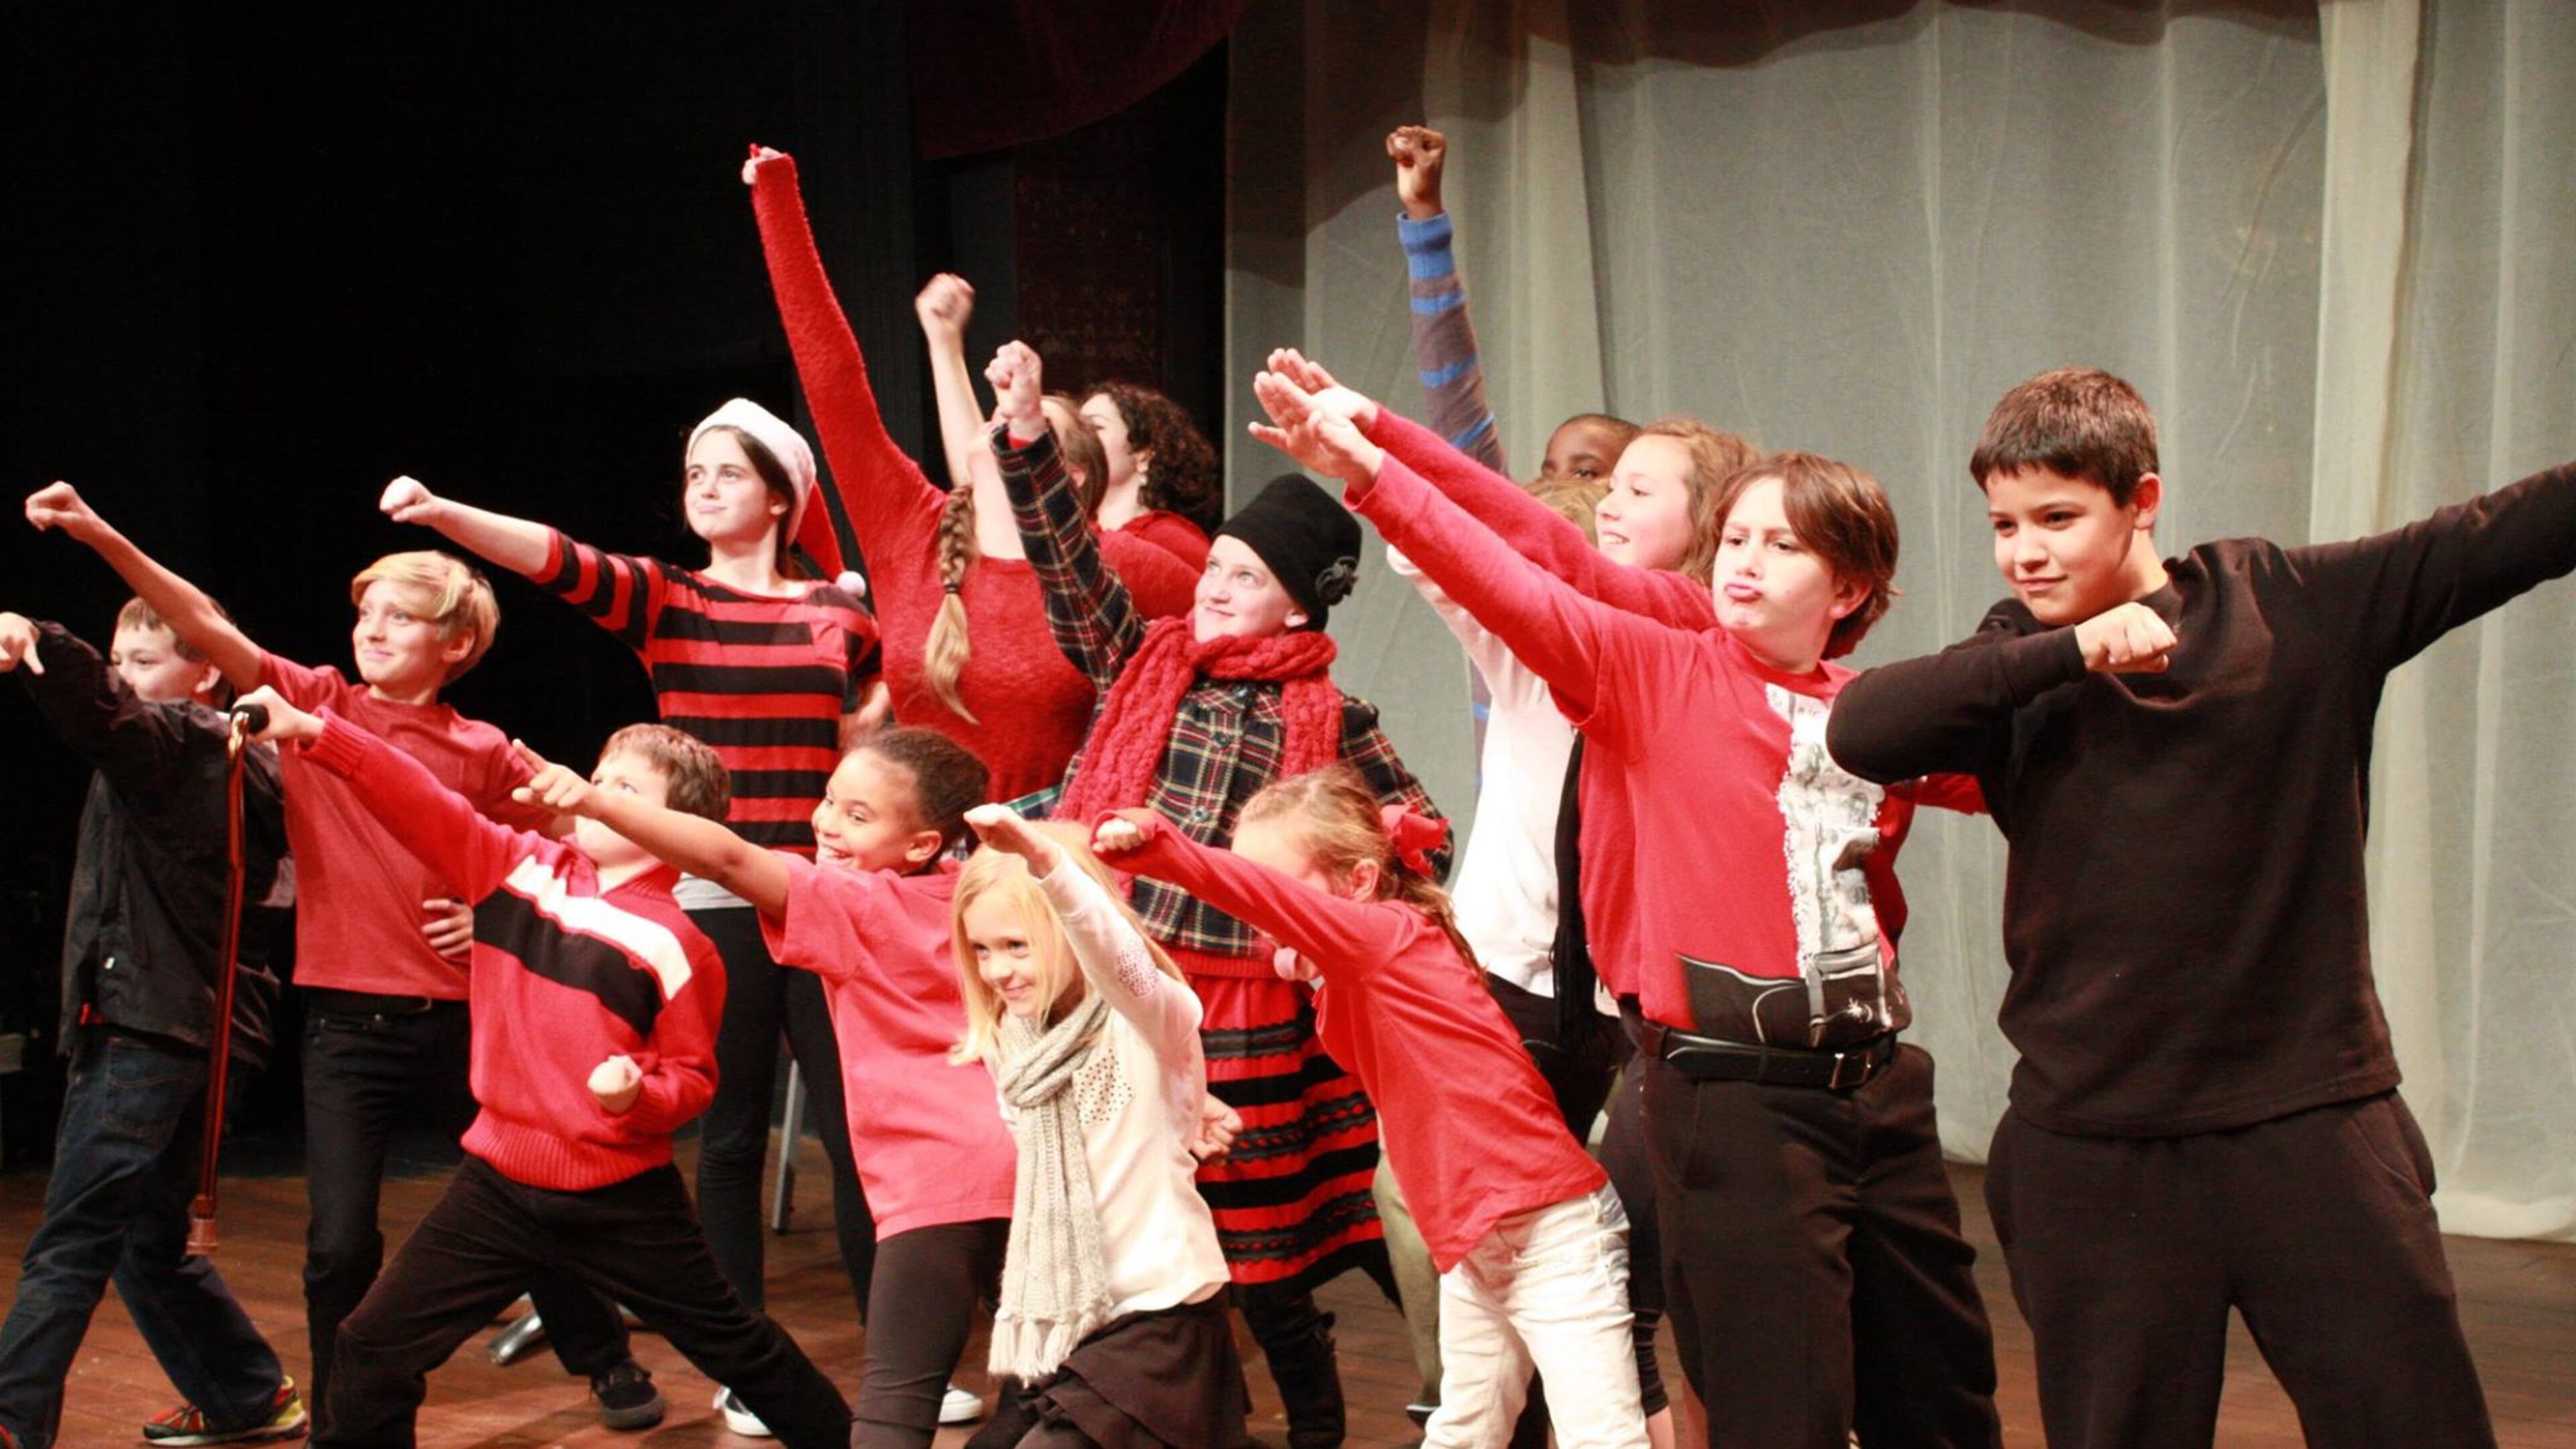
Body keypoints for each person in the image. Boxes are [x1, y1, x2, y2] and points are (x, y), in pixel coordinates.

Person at [1824, 366, 2576, 1449]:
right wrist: (2073, 649)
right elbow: (1863, 730)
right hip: (2095, 1148)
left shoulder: (2286, 605)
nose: (2025, 551)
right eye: (2003, 525)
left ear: (2142, 500)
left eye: (2056, 518)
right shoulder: (2015, 662)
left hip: (2308, 1125)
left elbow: (2499, 537)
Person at [1254, 369, 2003, 1449]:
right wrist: (1374, 456)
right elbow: (1518, 568)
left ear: (1847, 590)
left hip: (1874, 1077)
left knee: (1938, 1392)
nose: (1746, 560)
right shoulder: (1655, 660)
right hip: (1719, 1071)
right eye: (1738, 539)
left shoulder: (1867, 710)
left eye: (1779, 544)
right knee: (1742, 1371)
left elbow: (2004, 763)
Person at [21, 483, 655, 1435]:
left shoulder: (484, 749)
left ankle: (604, 1356)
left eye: (400, 616)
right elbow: (204, 625)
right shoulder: (316, 704)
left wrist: (490, 918)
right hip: (345, 1029)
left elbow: (576, 854)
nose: (374, 629)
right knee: (338, 1248)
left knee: (530, 1203)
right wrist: (102, 533)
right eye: (366, 613)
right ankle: (341, 1419)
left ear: (457, 644)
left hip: (466, 1024)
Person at [379, 396, 890, 1432]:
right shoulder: (670, 598)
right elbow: (558, 560)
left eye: (729, 472)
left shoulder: (844, 619)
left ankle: (895, 1369)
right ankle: (745, 1370)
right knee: (733, 1136)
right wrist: (443, 515)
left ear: (782, 498)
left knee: (857, 1130)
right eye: (695, 472)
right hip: (706, 896)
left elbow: (872, 750)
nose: (704, 487)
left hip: (815, 895)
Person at [1268, 340, 1745, 1444]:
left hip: (1646, 1000)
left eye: (1636, 489)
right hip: (1516, 977)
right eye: (1606, 487)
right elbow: (1459, 551)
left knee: (1622, 1269)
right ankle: (1479, 1415)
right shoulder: (1536, 645)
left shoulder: (1703, 649)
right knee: (1487, 1237)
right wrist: (1367, 454)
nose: (1608, 501)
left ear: (1706, 523)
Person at [986, 339, 1443, 1449]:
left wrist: (1364, 867)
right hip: (1116, 975)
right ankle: (1086, 1405)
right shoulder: (1143, 659)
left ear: (1299, 610)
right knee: (1111, 1202)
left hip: (1244, 1002)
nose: (1215, 587)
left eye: (1245, 577)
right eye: (1217, 566)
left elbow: (1418, 840)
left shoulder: (1334, 717)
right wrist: (1029, 435)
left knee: (1255, 1227)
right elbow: (1065, 563)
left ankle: (1320, 1408)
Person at [225, 691, 852, 1448]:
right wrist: (316, 731)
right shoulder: (516, 868)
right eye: (599, 775)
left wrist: (637, 1097)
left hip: (618, 1198)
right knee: (371, 1346)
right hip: (496, 1185)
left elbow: (691, 1080)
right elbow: (418, 797)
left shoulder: (681, 945)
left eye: (625, 789)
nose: (594, 792)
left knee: (740, 1349)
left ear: (669, 827)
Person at [1096, 766, 1648, 1449]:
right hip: (1479, 1237)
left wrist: (1161, 847)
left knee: (1602, 1436)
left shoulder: (1391, 935)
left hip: (1548, 1231)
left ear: (1358, 881)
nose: (1265, 916)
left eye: (1276, 891)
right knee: (1465, 1429)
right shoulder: (1369, 957)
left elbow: (1246, 893)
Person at [529, 723, 1017, 1449]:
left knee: (893, 1412)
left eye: (858, 815)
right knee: (1043, 1387)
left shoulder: (856, 903)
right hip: (1027, 1165)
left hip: (936, 1179)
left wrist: (596, 804)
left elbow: (725, 858)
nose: (829, 822)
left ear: (921, 844)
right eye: (830, 800)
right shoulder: (986, 894)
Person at [743, 144, 1195, 803]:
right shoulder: (912, 529)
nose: (1005, 423)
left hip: (1052, 852)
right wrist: (777, 200)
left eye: (1033, 427)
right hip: (914, 847)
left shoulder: (1125, 567)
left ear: (1068, 476)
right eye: (1002, 418)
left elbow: (1242, 647)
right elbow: (832, 381)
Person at [0, 602, 300, 1449]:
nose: (125, 678)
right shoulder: (251, 760)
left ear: (206, 673)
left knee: (73, 1240)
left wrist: (37, 639)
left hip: (147, 1027)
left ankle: (13, 1420)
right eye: (119, 660)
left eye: (142, 661)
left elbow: (102, 710)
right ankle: (246, 1395)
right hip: (207, 1029)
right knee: (145, 1239)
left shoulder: (182, 744)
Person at [945, 803, 1254, 1449]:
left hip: (1158, 1312)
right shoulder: (1014, 1040)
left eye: (1017, 946)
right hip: (1071, 1314)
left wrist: (1046, 864)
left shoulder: (1148, 1019)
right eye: (982, 950)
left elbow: (1120, 961)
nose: (998, 971)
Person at [1078, 382, 1222, 564]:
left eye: (1095, 427)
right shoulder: (1069, 532)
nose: (1078, 439)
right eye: (1076, 429)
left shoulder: (1174, 541)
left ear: (1144, 456)